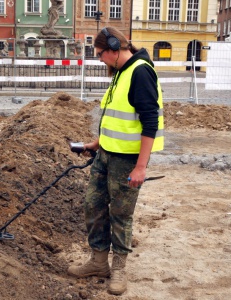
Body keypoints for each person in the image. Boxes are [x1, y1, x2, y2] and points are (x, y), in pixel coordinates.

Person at [67, 27, 164, 295]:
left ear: (113, 47)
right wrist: (95, 145)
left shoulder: (140, 71)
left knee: (121, 215)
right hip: (105, 154)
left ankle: (118, 268)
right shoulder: (121, 72)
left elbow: (149, 122)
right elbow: (115, 117)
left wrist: (141, 166)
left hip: (127, 160)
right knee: (93, 206)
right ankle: (99, 262)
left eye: (100, 54)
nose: (99, 60)